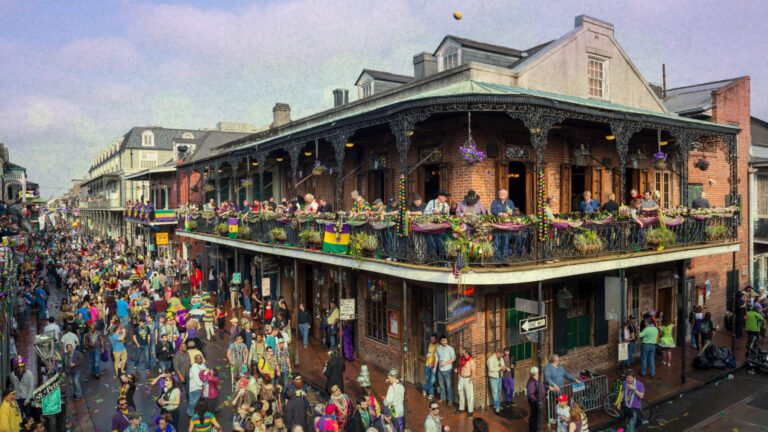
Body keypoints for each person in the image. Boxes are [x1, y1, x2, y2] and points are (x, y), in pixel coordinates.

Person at [435, 335, 456, 407]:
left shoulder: (450, 349)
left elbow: (453, 359)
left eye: (446, 340)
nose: (445, 342)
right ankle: (443, 398)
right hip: (440, 370)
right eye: (443, 341)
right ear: (440, 341)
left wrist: (445, 363)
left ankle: (450, 400)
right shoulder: (438, 348)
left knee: (449, 386)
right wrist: (435, 367)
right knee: (441, 385)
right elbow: (437, 357)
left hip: (447, 370)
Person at [456, 348, 475, 419]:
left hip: (467, 379)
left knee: (469, 396)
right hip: (461, 378)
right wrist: (457, 371)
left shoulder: (471, 361)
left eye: (463, 352)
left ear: (467, 353)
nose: (462, 353)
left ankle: (470, 411)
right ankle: (461, 408)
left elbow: (473, 372)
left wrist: (470, 380)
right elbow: (460, 367)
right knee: (460, 393)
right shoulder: (461, 359)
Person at [486, 348, 505, 413]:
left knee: (499, 392)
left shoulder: (501, 358)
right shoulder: (491, 359)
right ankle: (497, 407)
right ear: (498, 353)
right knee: (495, 393)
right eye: (501, 355)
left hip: (499, 377)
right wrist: (500, 368)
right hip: (493, 378)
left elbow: (503, 365)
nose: (501, 357)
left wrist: (503, 368)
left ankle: (497, 405)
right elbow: (490, 369)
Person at [422, 334, 438, 399]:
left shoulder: (438, 346)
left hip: (433, 366)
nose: (432, 340)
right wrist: (427, 357)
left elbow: (438, 357)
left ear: (436, 339)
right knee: (429, 380)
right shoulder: (430, 345)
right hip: (427, 365)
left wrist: (433, 364)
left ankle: (424, 388)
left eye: (433, 339)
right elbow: (429, 353)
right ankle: (431, 394)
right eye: (431, 339)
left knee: (432, 381)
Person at [526, 367, 540, 432]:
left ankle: (535, 428)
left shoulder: (536, 380)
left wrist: (548, 387)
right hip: (534, 402)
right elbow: (530, 394)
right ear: (536, 373)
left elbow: (541, 386)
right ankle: (532, 430)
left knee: (535, 416)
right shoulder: (531, 382)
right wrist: (537, 400)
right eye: (538, 372)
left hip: (536, 401)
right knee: (533, 416)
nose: (538, 373)